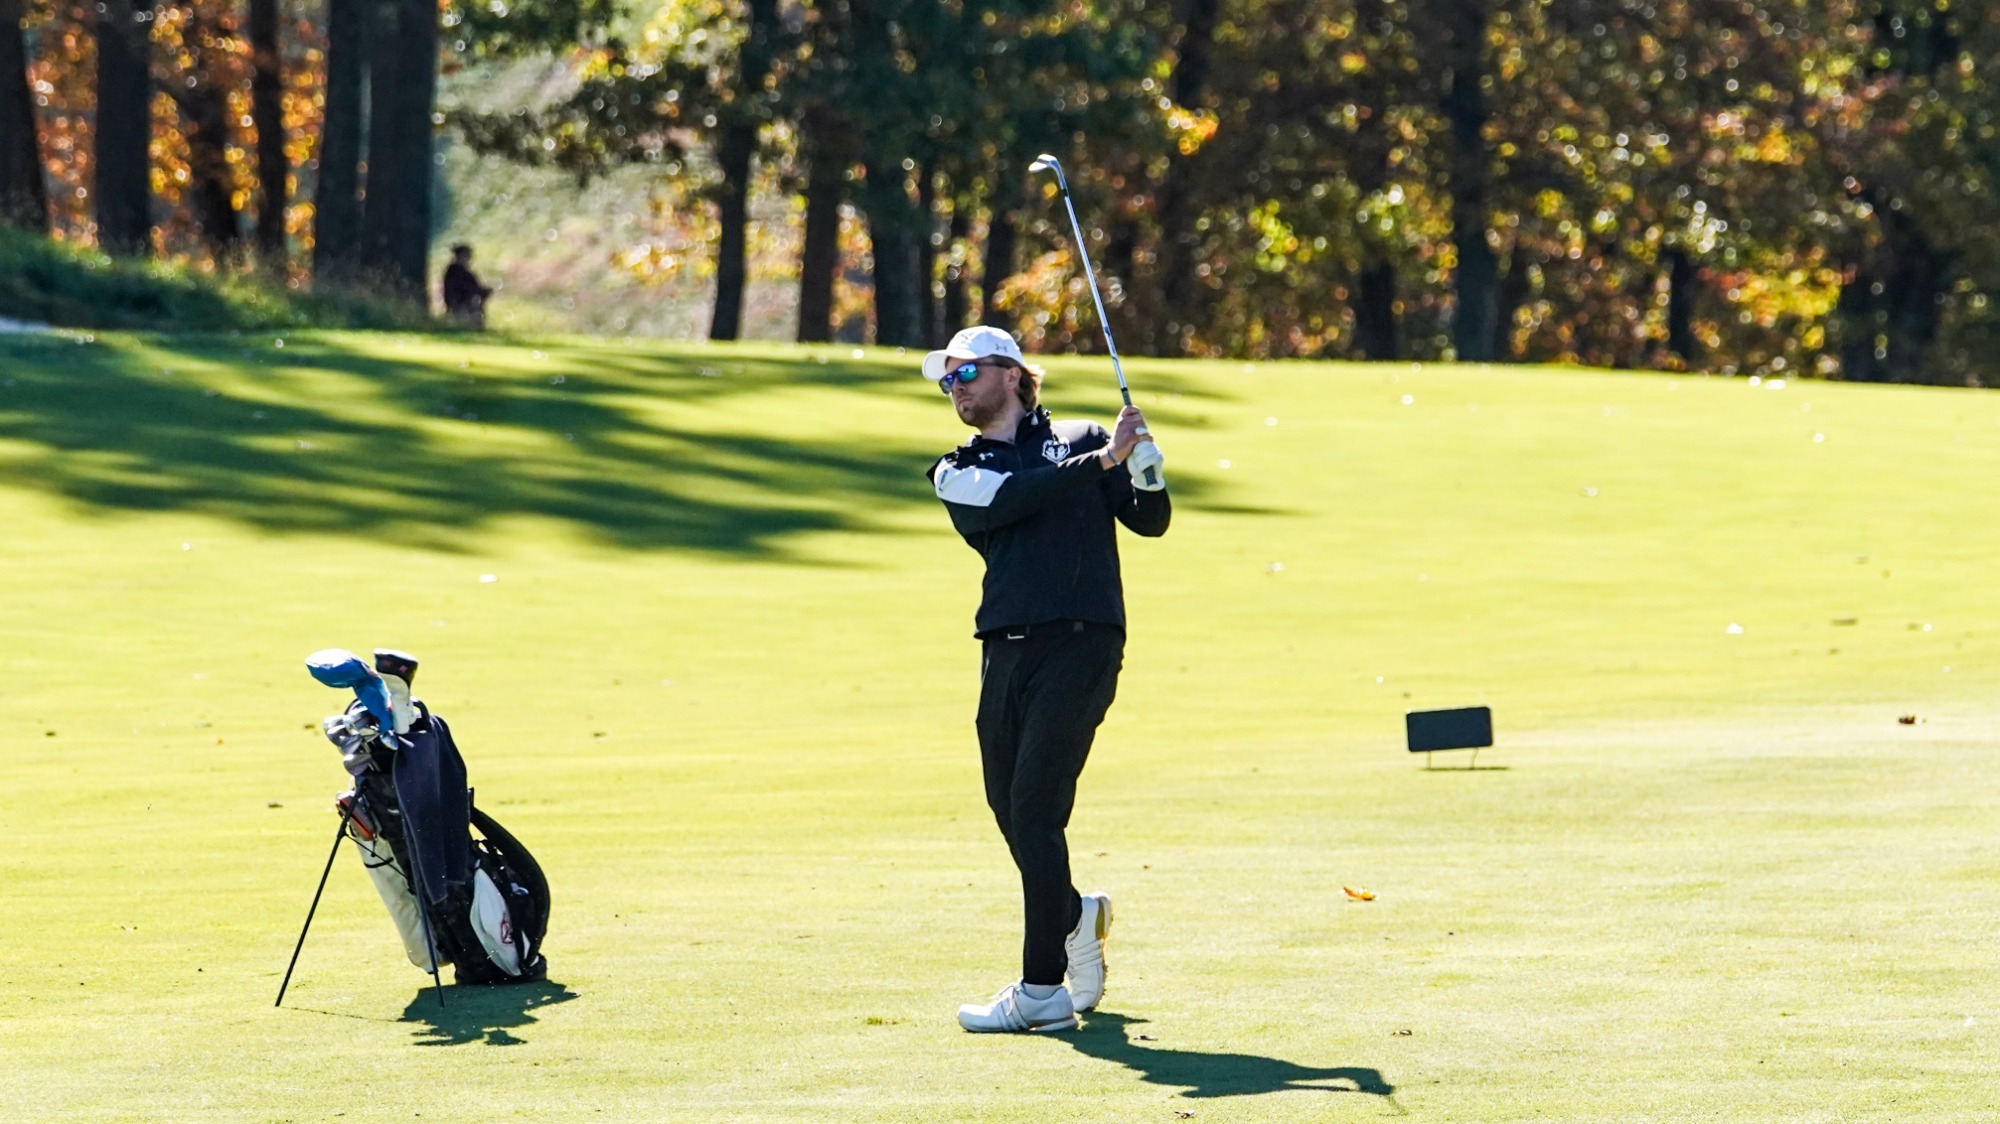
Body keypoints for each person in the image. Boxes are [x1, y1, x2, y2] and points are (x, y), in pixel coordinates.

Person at [923, 324, 1171, 1033]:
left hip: (1083, 644)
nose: (955, 389)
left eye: (965, 373)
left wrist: (1144, 466)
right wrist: (1103, 462)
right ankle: (1073, 914)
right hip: (1004, 650)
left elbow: (1150, 521)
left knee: (1035, 808)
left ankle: (1040, 991)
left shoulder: (1088, 435)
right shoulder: (954, 468)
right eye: (948, 381)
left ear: (1011, 374)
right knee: (1008, 807)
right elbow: (1012, 499)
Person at [441, 244, 493, 329]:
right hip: (462, 306)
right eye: (467, 256)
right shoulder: (457, 272)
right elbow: (469, 289)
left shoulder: (456, 271)